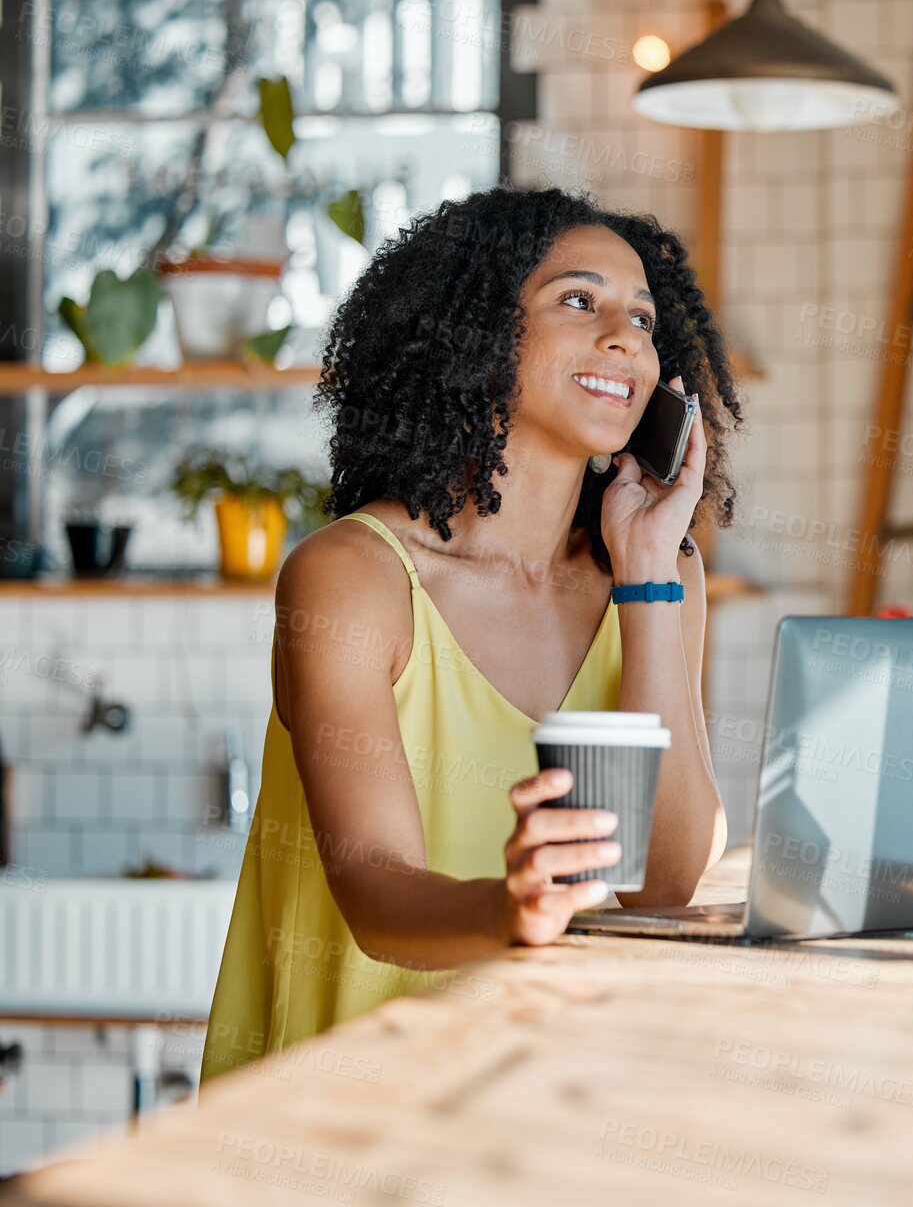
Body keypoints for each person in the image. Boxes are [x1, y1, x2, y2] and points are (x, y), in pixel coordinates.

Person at [203, 187, 742, 1080]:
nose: (625, 338)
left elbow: (663, 883)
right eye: (580, 301)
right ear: (476, 336)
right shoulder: (354, 576)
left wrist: (648, 573)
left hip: (521, 1104)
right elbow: (375, 893)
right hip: (325, 1120)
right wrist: (514, 908)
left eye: (643, 319)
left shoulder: (657, 576)